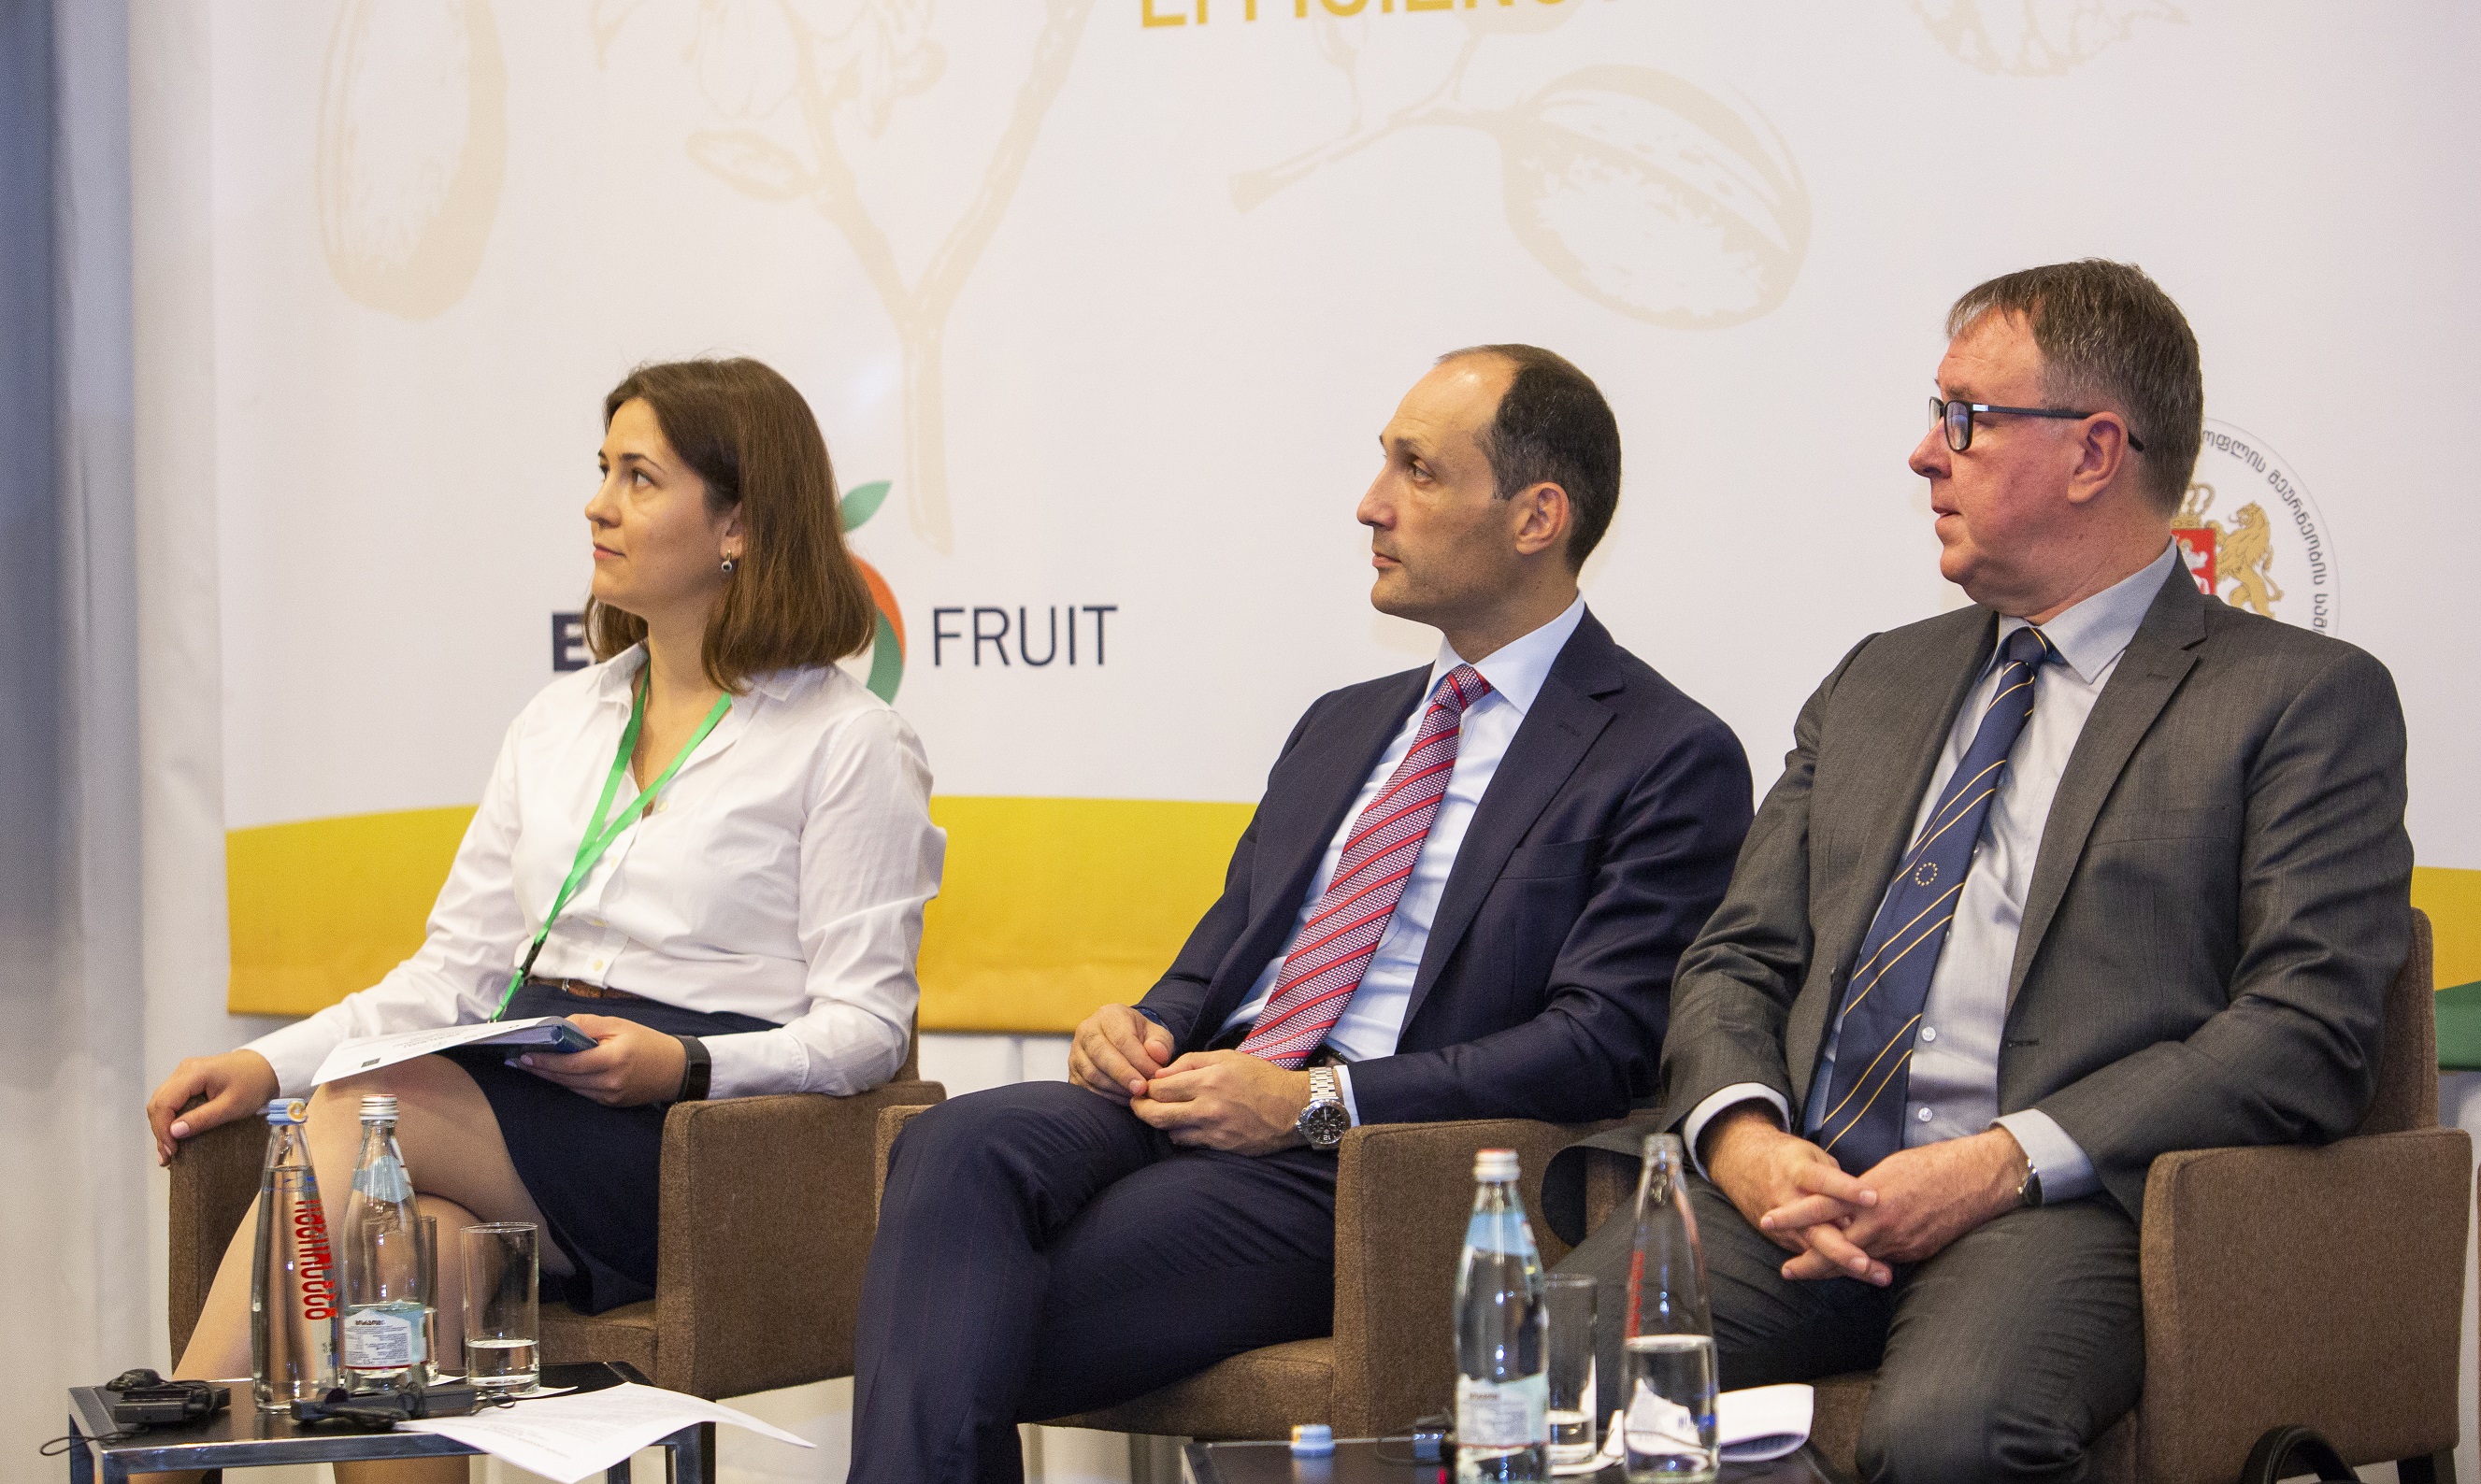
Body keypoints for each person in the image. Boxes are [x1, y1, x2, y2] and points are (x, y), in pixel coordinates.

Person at [1546, 261, 2413, 1482]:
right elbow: (1736, 956)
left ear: (2092, 452)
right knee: (1543, 1363)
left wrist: (1998, 1162)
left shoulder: (2295, 700)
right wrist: (1742, 1138)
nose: (1923, 454)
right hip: (1805, 1190)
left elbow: (2304, 1030)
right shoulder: (1876, 679)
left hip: (2058, 1204)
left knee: (1948, 1435)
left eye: (1965, 419)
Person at [850, 344, 1755, 1484]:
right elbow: (1225, 953)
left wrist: (1314, 1104)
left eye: (1417, 471)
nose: (1370, 504)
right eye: (1383, 463)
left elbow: (1598, 1043)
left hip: (1372, 1162)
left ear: (1536, 516)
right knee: (952, 1145)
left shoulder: (1664, 752)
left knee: (951, 1296)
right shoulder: (1342, 722)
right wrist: (1142, 1023)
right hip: (1205, 1089)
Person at [144, 357, 945, 1484]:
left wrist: (684, 1063)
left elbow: (867, 1026)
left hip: (695, 1139)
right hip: (525, 1070)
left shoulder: (846, 739)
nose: (596, 505)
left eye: (638, 477)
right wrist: (260, 1062)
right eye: (602, 470)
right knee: (410, 1247)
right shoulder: (559, 718)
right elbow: (451, 977)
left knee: (365, 1107)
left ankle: (172, 1451)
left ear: (739, 524)